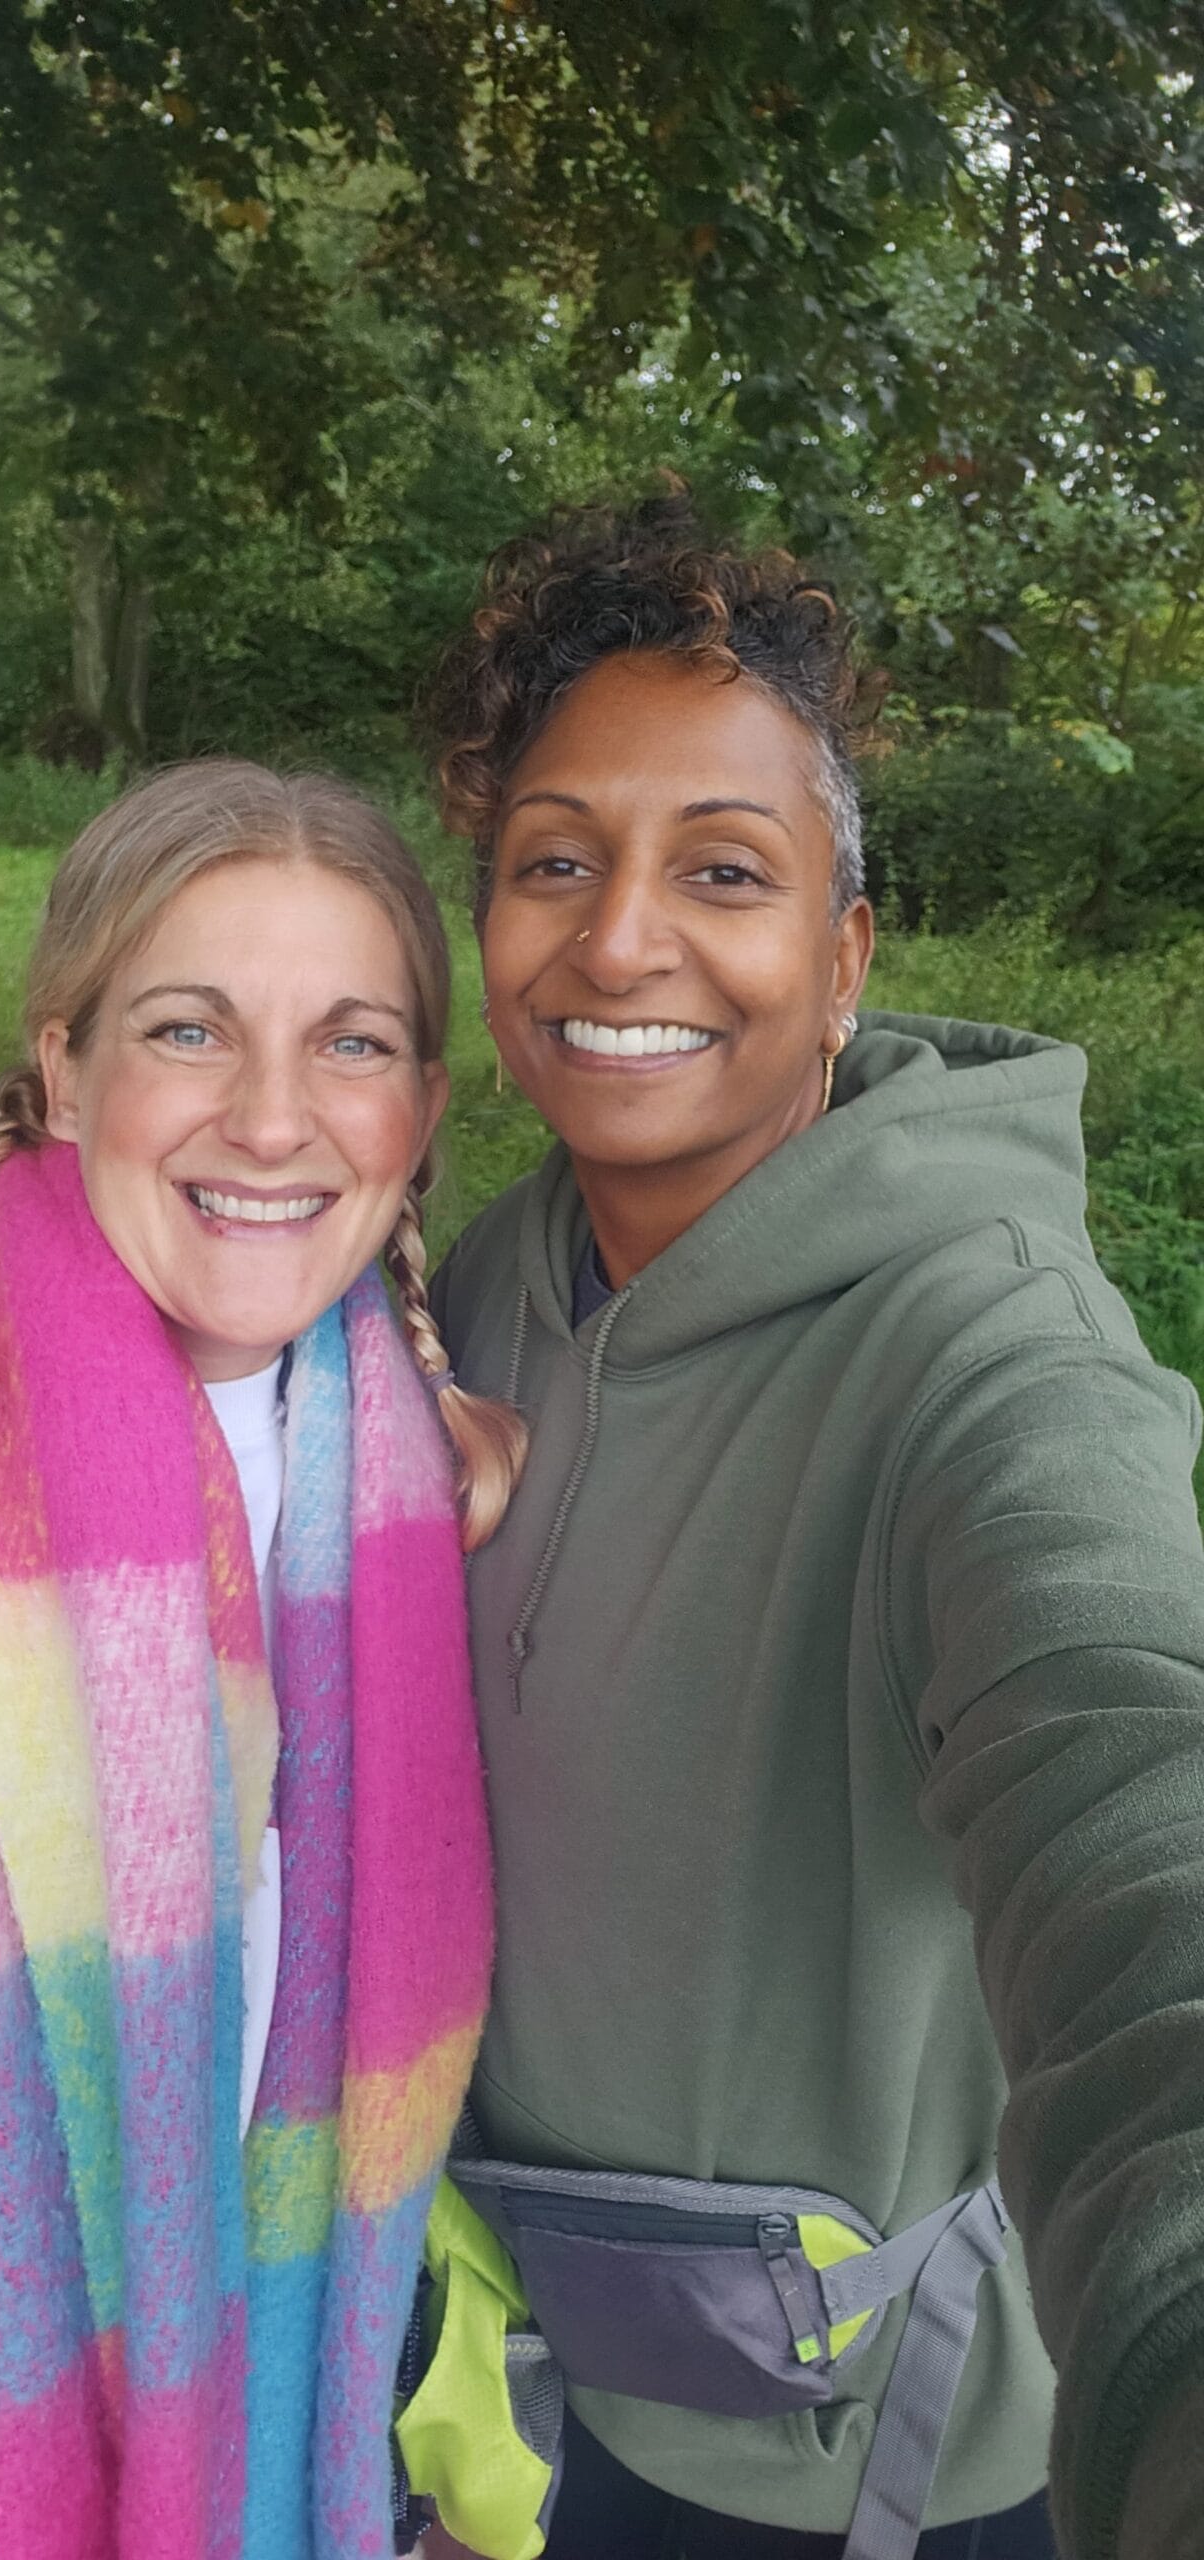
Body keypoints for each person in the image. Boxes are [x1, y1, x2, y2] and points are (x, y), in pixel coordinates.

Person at [423, 493, 1204, 2560]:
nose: (617, 938)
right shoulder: (472, 1288)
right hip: (543, 2381)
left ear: (844, 953)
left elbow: (1124, 1743)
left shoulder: (986, 1342)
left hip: (895, 2468)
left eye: (728, 870)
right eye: (555, 858)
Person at [0, 759, 521, 2560]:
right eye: (190, 1030)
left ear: (420, 1106)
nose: (272, 1120)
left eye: (350, 1045)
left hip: (299, 2465)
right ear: (62, 1065)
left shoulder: (431, 1484)